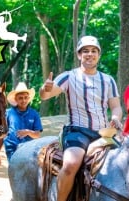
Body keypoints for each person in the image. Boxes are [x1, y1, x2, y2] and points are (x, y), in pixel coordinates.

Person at [39, 35, 123, 201]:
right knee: (71, 164)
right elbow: (45, 95)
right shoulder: (68, 76)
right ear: (79, 55)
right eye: (85, 51)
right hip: (77, 130)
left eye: (93, 51)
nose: (89, 54)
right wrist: (45, 88)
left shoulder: (108, 80)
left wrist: (116, 117)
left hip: (104, 133)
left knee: (127, 162)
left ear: (98, 55)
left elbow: (116, 106)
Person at [0, 82, 43, 164]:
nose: (23, 100)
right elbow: (1, 134)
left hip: (29, 149)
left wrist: (28, 132)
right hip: (12, 148)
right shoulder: (8, 113)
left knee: (27, 172)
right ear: (16, 99)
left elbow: (37, 135)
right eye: (20, 98)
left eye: (25, 97)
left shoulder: (34, 114)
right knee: (15, 172)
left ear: (28, 98)